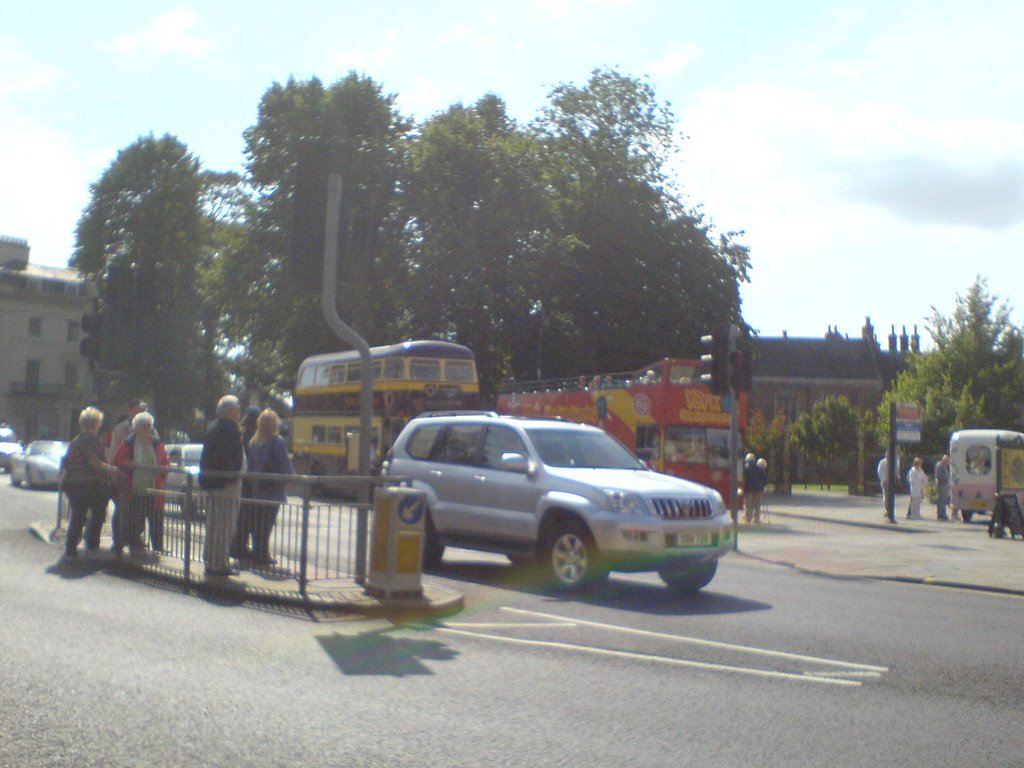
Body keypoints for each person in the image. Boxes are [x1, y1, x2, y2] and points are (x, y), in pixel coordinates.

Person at [60, 407, 117, 559]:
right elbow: (94, 462)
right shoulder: (92, 441)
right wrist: (112, 470)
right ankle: (91, 545)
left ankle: (71, 548)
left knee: (77, 516)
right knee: (98, 515)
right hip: (91, 484)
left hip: (73, 483)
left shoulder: (75, 441)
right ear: (96, 423)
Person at [112, 412, 169, 556]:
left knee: (156, 518)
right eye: (142, 426)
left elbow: (165, 462)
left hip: (154, 488)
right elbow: (118, 461)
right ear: (136, 427)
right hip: (134, 488)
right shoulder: (129, 443)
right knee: (135, 518)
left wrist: (162, 470)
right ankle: (134, 544)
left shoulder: (157, 443)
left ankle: (158, 547)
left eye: (148, 426)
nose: (146, 429)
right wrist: (130, 464)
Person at [199, 395, 245, 577]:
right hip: (226, 484)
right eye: (238, 409)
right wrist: (233, 476)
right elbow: (232, 458)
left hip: (212, 483)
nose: (239, 413)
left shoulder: (213, 428)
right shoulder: (231, 430)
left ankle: (211, 561)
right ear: (230, 411)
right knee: (225, 526)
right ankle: (219, 564)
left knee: (213, 525)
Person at [244, 409, 295, 565]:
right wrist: (292, 478)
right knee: (267, 523)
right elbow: (286, 467)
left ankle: (257, 552)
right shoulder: (277, 441)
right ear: (274, 424)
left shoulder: (254, 442)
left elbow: (250, 467)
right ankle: (263, 554)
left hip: (257, 489)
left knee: (258, 523)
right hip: (273, 490)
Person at [107, 399, 147, 554]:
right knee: (122, 509)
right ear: (130, 411)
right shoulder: (121, 429)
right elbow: (115, 452)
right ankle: (118, 541)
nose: (141, 413)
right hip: (123, 476)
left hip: (140, 478)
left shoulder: (148, 429)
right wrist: (114, 472)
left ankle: (134, 539)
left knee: (138, 510)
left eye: (144, 411)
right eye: (139, 410)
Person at [230, 407, 261, 562]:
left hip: (242, 481)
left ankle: (238, 545)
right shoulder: (252, 436)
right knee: (245, 516)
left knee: (241, 516)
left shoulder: (241, 432)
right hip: (247, 481)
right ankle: (239, 547)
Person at [877, 451, 899, 523]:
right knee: (886, 496)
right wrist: (884, 480)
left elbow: (896, 471)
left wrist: (895, 478)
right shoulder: (882, 462)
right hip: (885, 482)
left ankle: (890, 509)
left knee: (891, 496)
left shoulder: (894, 462)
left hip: (892, 482)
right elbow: (880, 471)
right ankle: (887, 510)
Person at [934, 454, 951, 521]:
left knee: (944, 500)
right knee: (941, 500)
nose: (948, 462)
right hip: (941, 484)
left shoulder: (944, 465)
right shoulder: (939, 465)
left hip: (945, 484)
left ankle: (943, 513)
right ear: (944, 459)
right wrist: (947, 476)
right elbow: (939, 475)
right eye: (947, 460)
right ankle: (941, 514)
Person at [742, 453, 757, 523]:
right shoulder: (757, 467)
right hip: (757, 488)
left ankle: (748, 518)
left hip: (748, 488)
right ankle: (755, 518)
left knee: (748, 503)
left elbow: (744, 476)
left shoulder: (746, 466)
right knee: (755, 503)